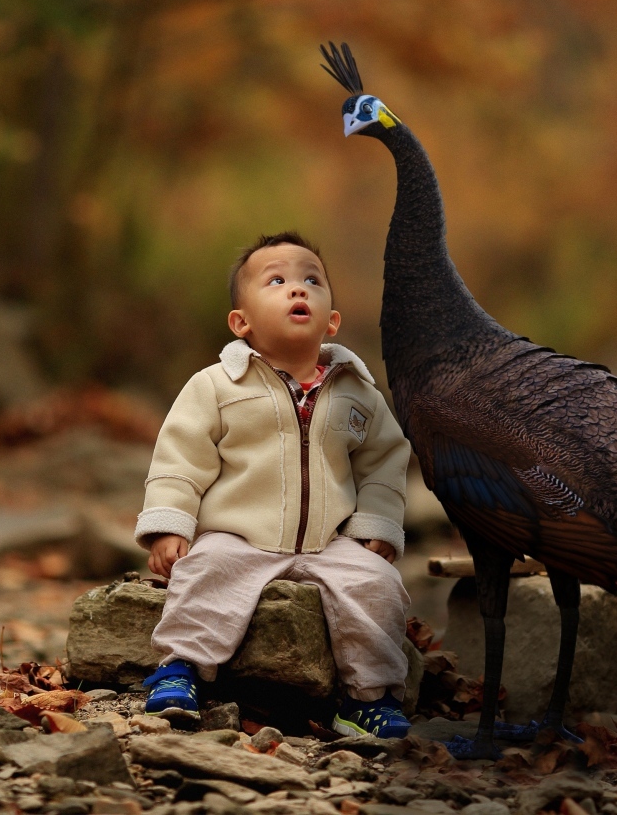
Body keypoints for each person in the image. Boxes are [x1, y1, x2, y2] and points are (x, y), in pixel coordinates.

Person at [135, 231, 413, 738]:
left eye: (311, 280)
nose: (297, 289)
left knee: (378, 586)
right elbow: (180, 456)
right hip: (238, 535)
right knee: (204, 570)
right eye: (277, 281)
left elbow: (384, 461)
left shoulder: (358, 393)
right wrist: (170, 523)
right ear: (241, 323)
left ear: (332, 320)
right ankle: (180, 669)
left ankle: (366, 698)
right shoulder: (217, 385)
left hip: (331, 542)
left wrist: (376, 523)